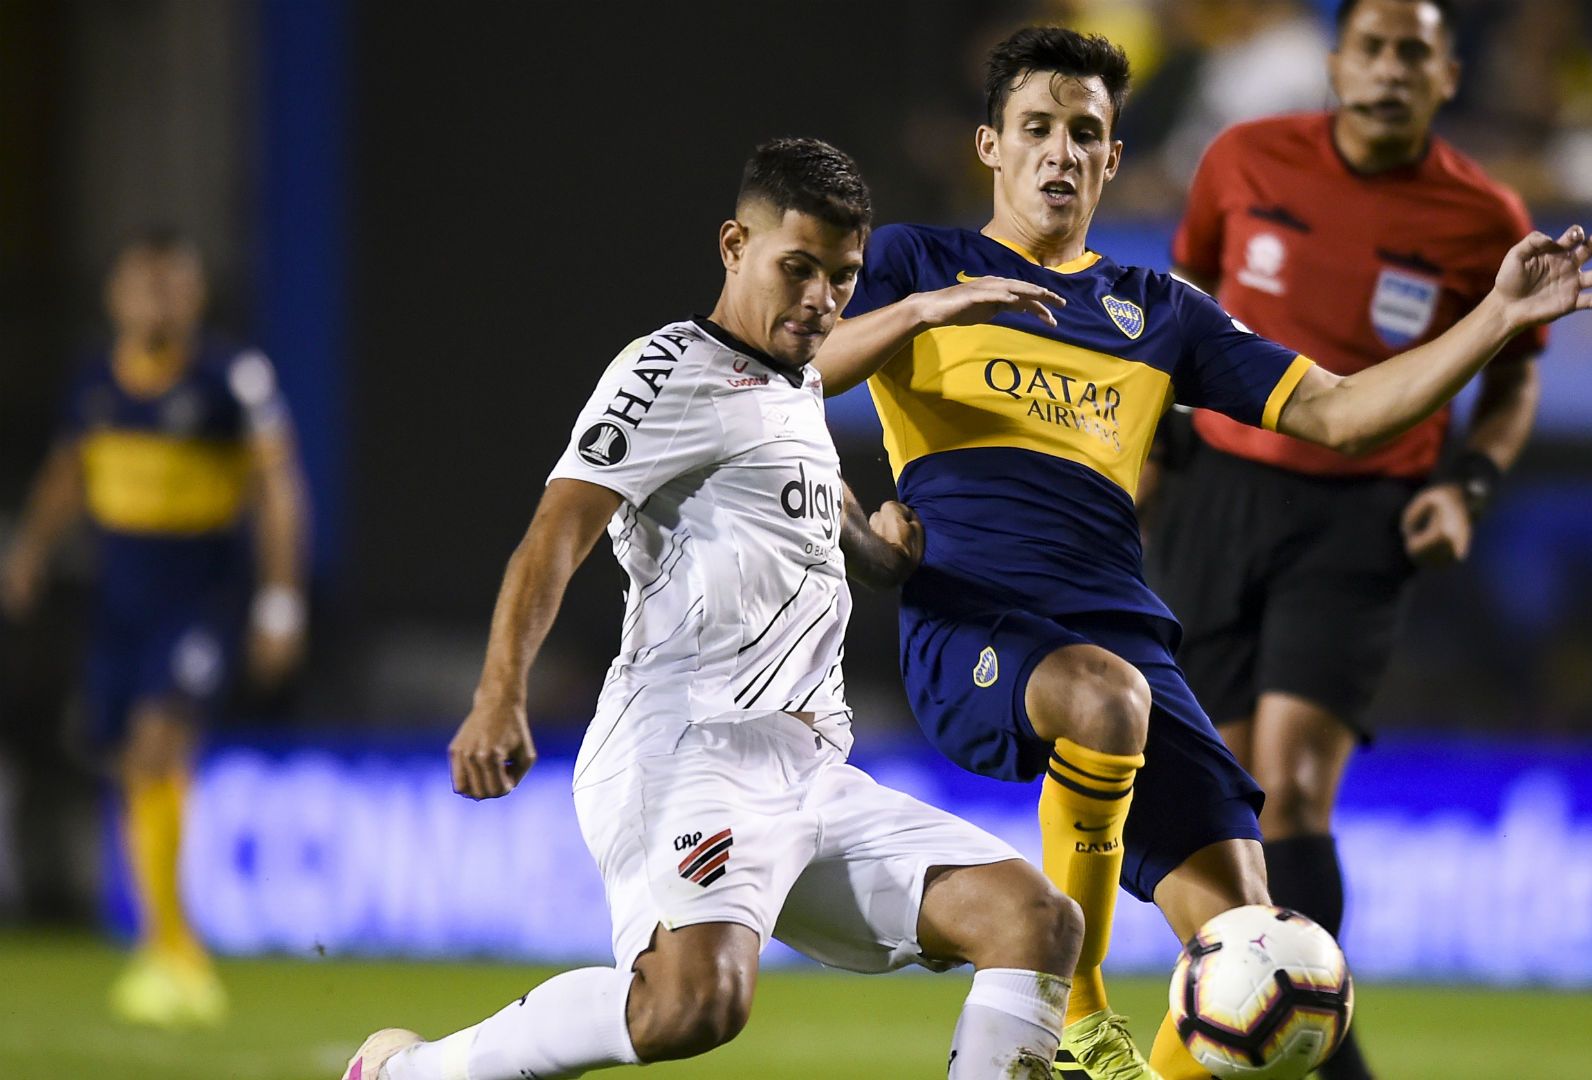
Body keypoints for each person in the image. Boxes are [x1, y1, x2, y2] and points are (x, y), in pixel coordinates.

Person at [812, 25, 1592, 1080]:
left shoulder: (1157, 312)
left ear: (1113, 158)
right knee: (1102, 702)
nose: (1060, 151)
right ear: (991, 146)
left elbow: (1339, 413)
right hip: (974, 618)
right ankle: (1072, 1021)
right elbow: (798, 361)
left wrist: (1493, 319)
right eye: (1036, 128)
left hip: (1127, 641)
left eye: (1085, 132)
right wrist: (926, 312)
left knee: (1265, 954)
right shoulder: (915, 263)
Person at [343, 138, 1086, 1080]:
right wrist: (500, 695)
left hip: (811, 768)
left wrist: (878, 552)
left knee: (1037, 920)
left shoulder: (795, 382)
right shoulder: (667, 373)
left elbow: (808, 515)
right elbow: (554, 535)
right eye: (798, 269)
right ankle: (408, 1075)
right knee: (695, 1004)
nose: (820, 298)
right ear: (734, 244)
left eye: (842, 278)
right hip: (691, 750)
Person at [1145, 2, 1542, 1075]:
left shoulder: (1480, 215)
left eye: (1414, 51)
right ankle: (1288, 1035)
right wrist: (1151, 445)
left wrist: (1467, 483)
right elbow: (1187, 302)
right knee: (1221, 791)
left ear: (1446, 73)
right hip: (1221, 490)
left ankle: (1313, 1049)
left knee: (1294, 780)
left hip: (1366, 510)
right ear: (1337, 63)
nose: (1390, 69)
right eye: (1372, 47)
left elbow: (1514, 376)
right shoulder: (1241, 161)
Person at [0, 229, 309, 1027]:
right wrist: (31, 548)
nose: (159, 301)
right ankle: (161, 945)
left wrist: (280, 602)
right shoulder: (96, 383)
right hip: (119, 601)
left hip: (200, 598)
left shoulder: (228, 379)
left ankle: (177, 953)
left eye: (174, 286)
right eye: (146, 286)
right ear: (117, 296)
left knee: (156, 740)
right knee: (131, 764)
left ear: (196, 296)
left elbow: (279, 489)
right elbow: (69, 472)